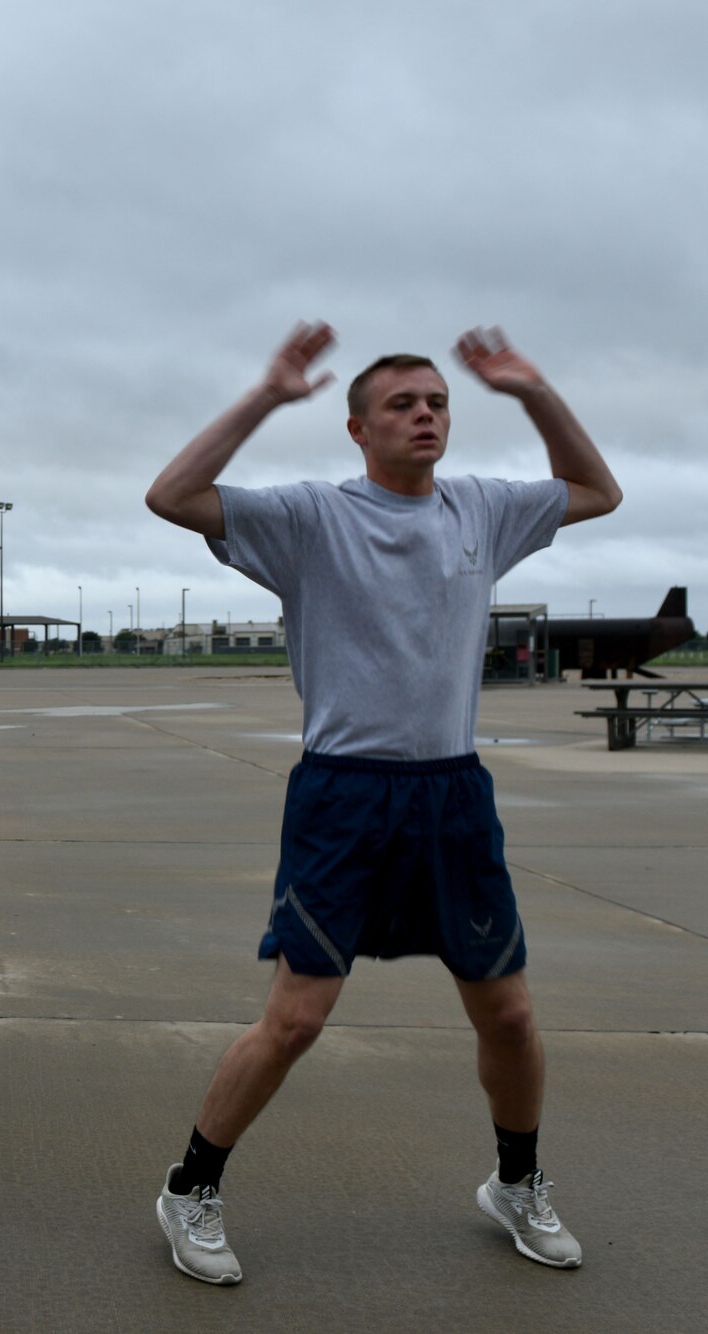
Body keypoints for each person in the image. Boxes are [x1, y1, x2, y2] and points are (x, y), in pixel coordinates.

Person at [141, 323, 623, 1284]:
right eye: (403, 405)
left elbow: (599, 492)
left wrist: (531, 390)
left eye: (439, 402)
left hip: (452, 794)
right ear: (358, 428)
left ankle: (516, 1182)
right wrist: (266, 396)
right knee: (297, 1019)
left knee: (512, 1017)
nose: (426, 417)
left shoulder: (484, 508)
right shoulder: (312, 518)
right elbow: (172, 496)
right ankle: (189, 1188)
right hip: (344, 794)